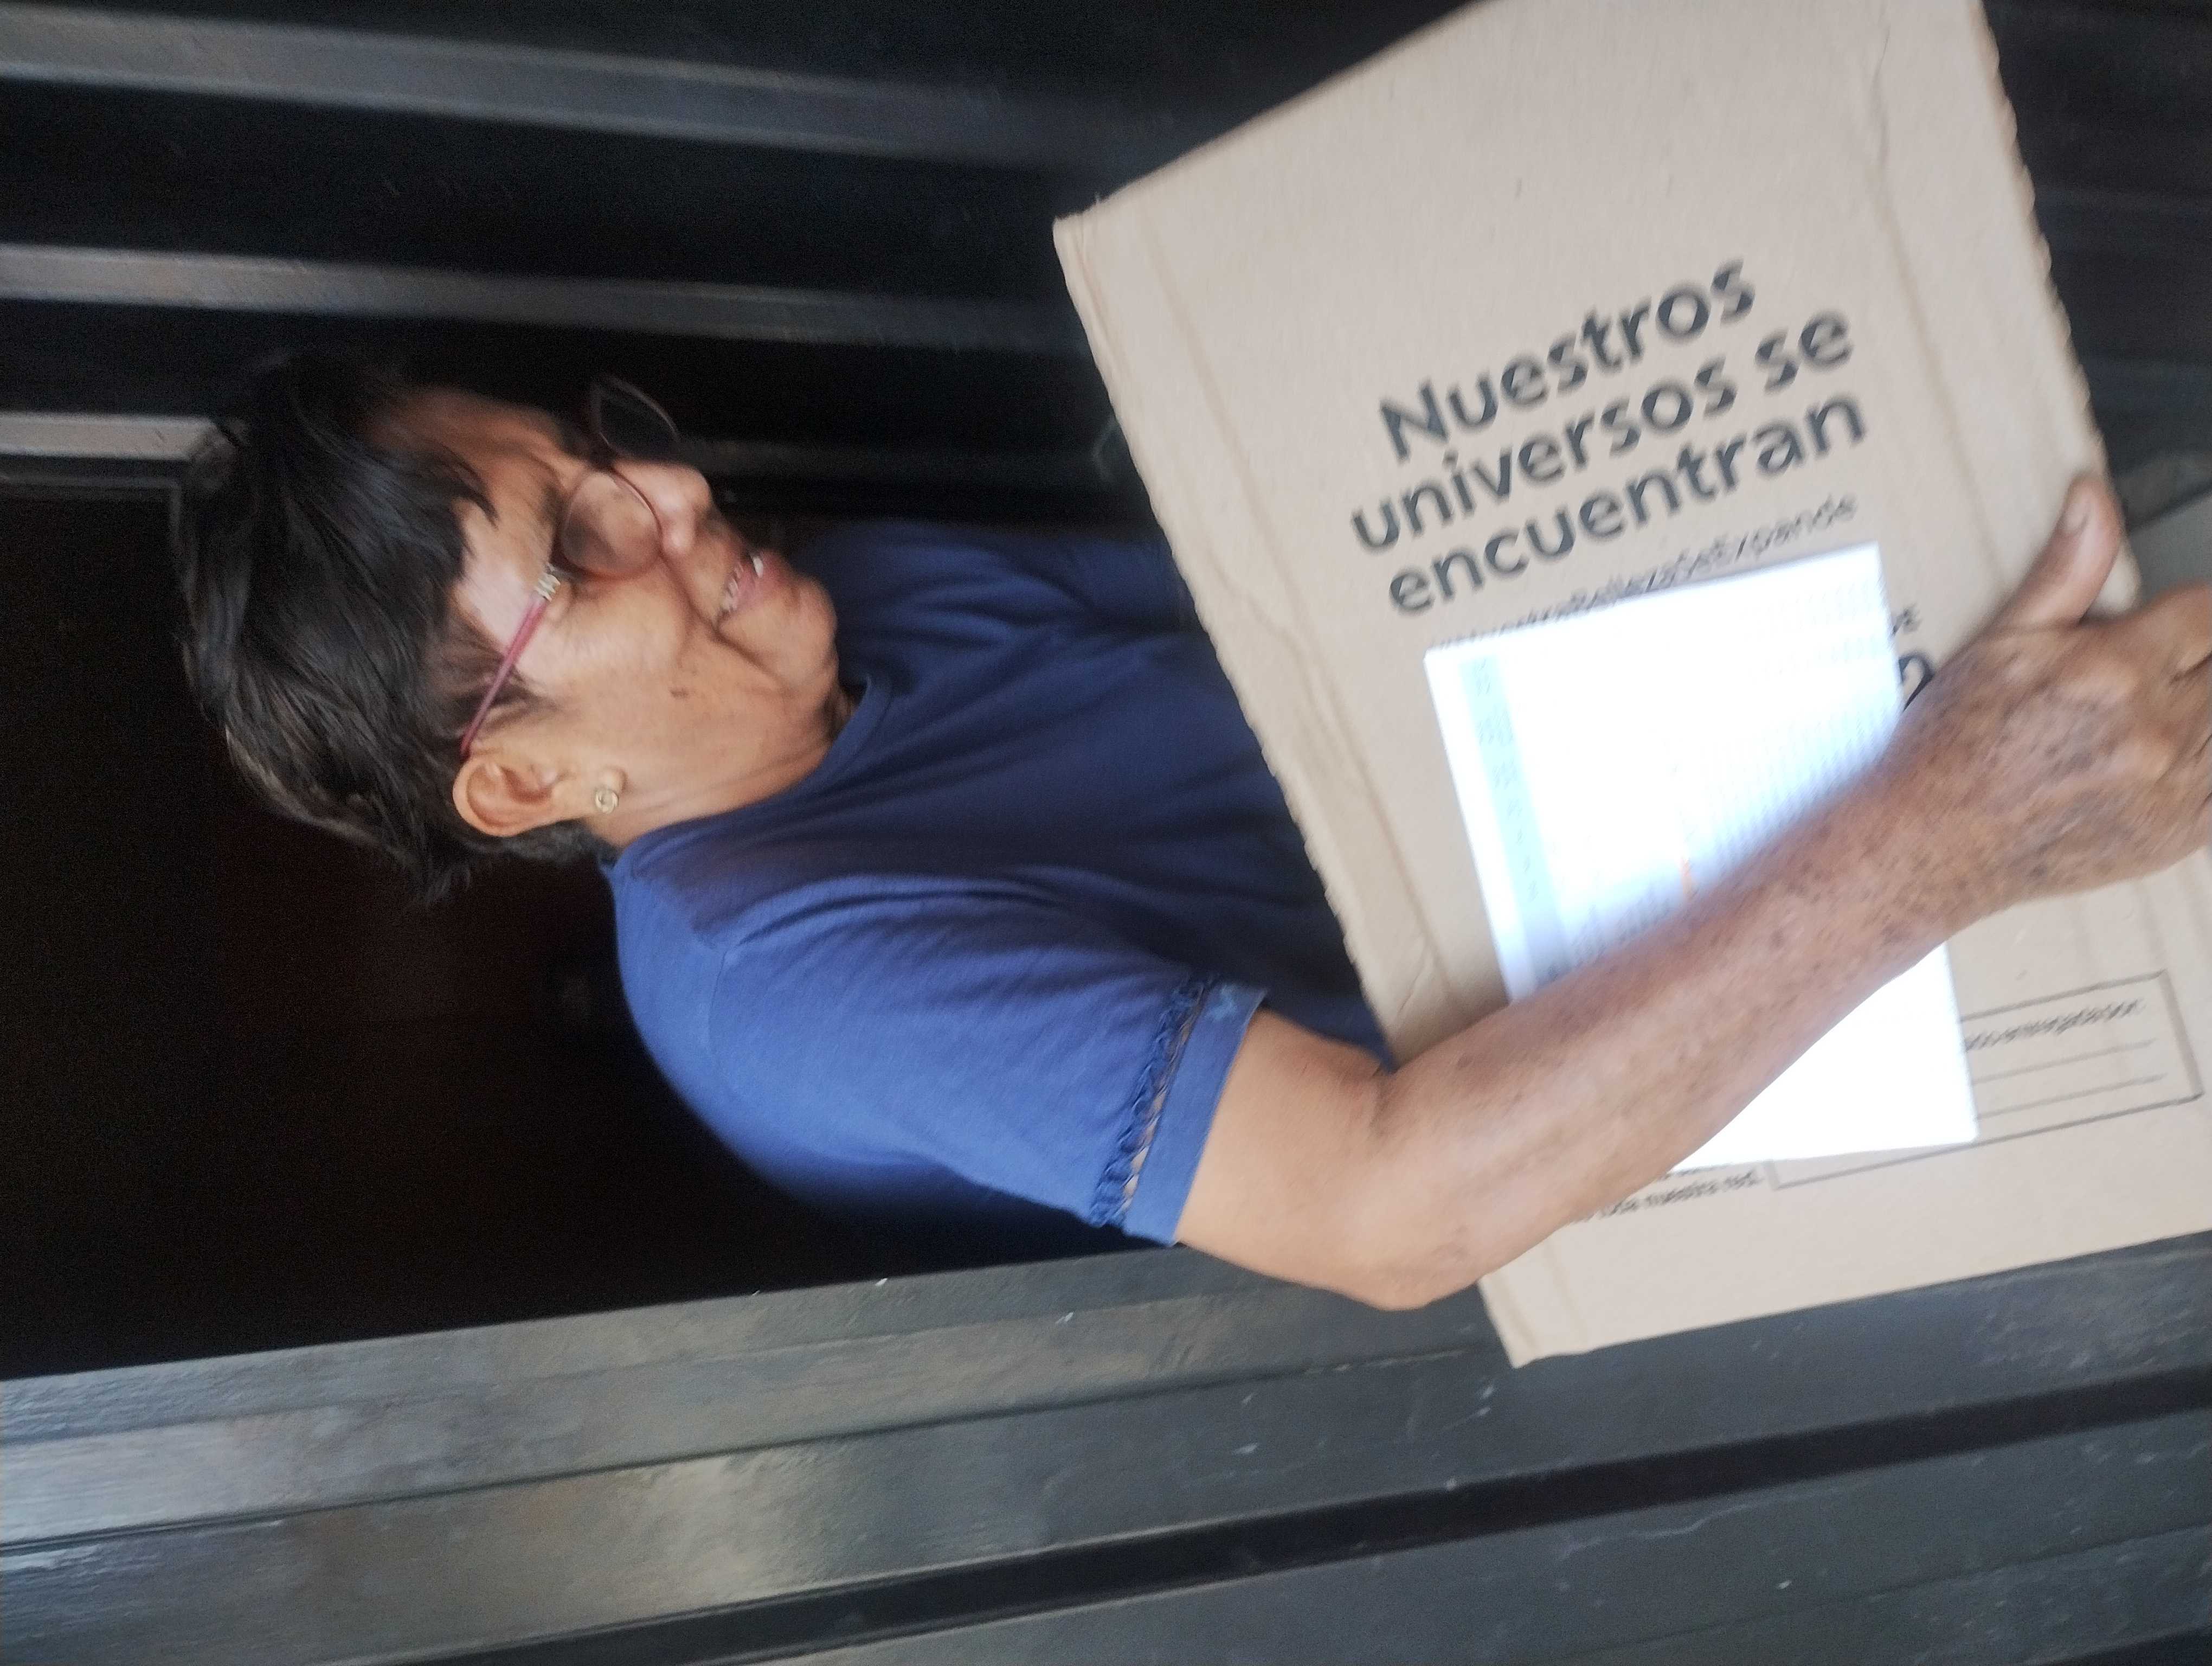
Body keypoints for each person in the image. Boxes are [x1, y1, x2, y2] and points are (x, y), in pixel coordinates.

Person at [175, 355, 2212, 1308]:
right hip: (1698, 1085)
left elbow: (1356, 633)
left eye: (598, 454)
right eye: (582, 549)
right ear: (526, 783)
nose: (679, 496)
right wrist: (1957, 825)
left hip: (1722, 849)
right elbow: (1399, 1212)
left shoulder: (861, 597)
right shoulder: (784, 983)